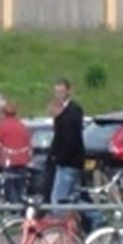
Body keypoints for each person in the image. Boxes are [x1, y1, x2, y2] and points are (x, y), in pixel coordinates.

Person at [45, 77, 87, 209]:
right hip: (67, 161)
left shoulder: (73, 110)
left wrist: (59, 158)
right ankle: (96, 219)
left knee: (59, 199)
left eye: (62, 91)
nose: (59, 95)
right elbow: (58, 137)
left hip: (69, 162)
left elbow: (71, 139)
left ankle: (61, 226)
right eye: (57, 92)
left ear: (69, 91)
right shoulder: (62, 111)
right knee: (73, 197)